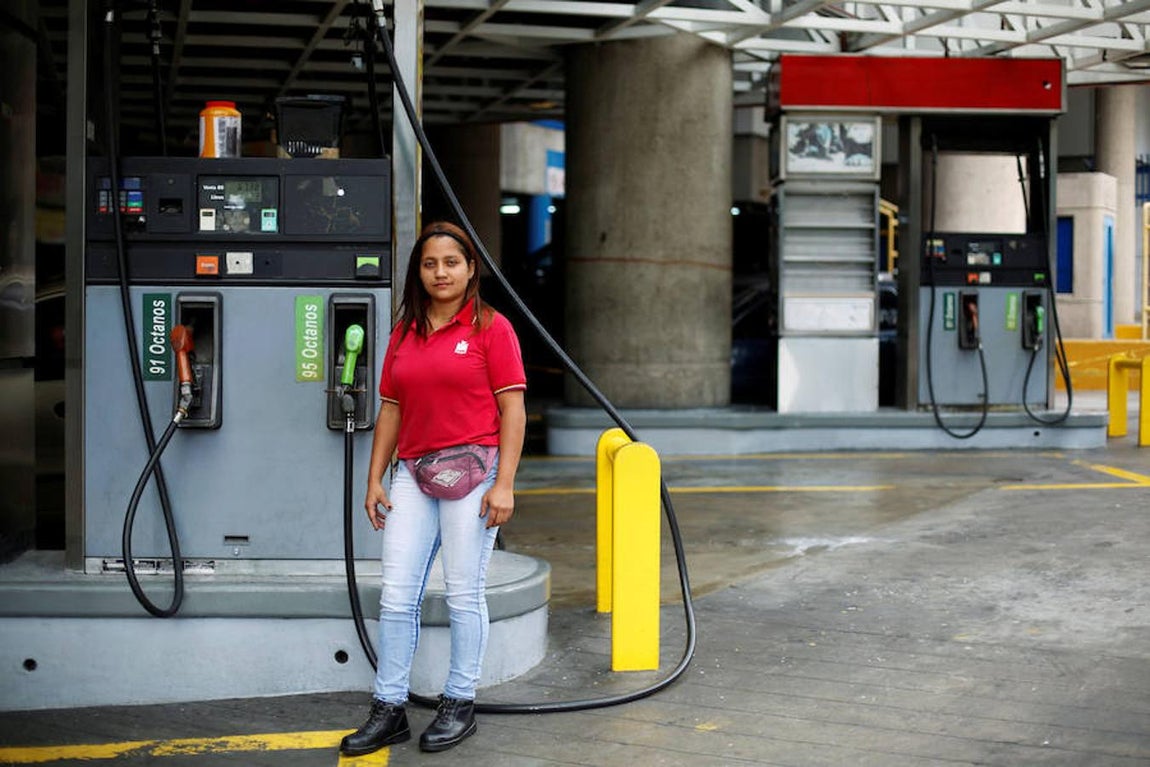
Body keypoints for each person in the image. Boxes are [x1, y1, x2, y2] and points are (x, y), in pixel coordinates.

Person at [340, 221, 527, 756]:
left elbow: (513, 410)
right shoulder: (405, 332)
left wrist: (505, 485)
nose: (440, 272)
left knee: (464, 593)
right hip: (414, 474)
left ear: (471, 268)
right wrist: (375, 477)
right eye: (429, 263)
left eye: (451, 262)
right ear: (417, 272)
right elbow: (392, 409)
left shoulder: (493, 328)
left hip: (477, 471)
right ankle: (389, 708)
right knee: (398, 596)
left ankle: (459, 702)